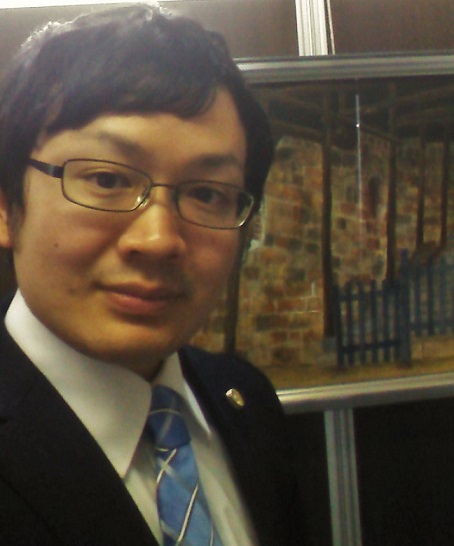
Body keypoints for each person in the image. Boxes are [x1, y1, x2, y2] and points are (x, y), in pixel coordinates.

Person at [0, 3, 303, 545]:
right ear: (6, 206)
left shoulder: (246, 401)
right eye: (107, 180)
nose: (159, 239)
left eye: (207, 193)